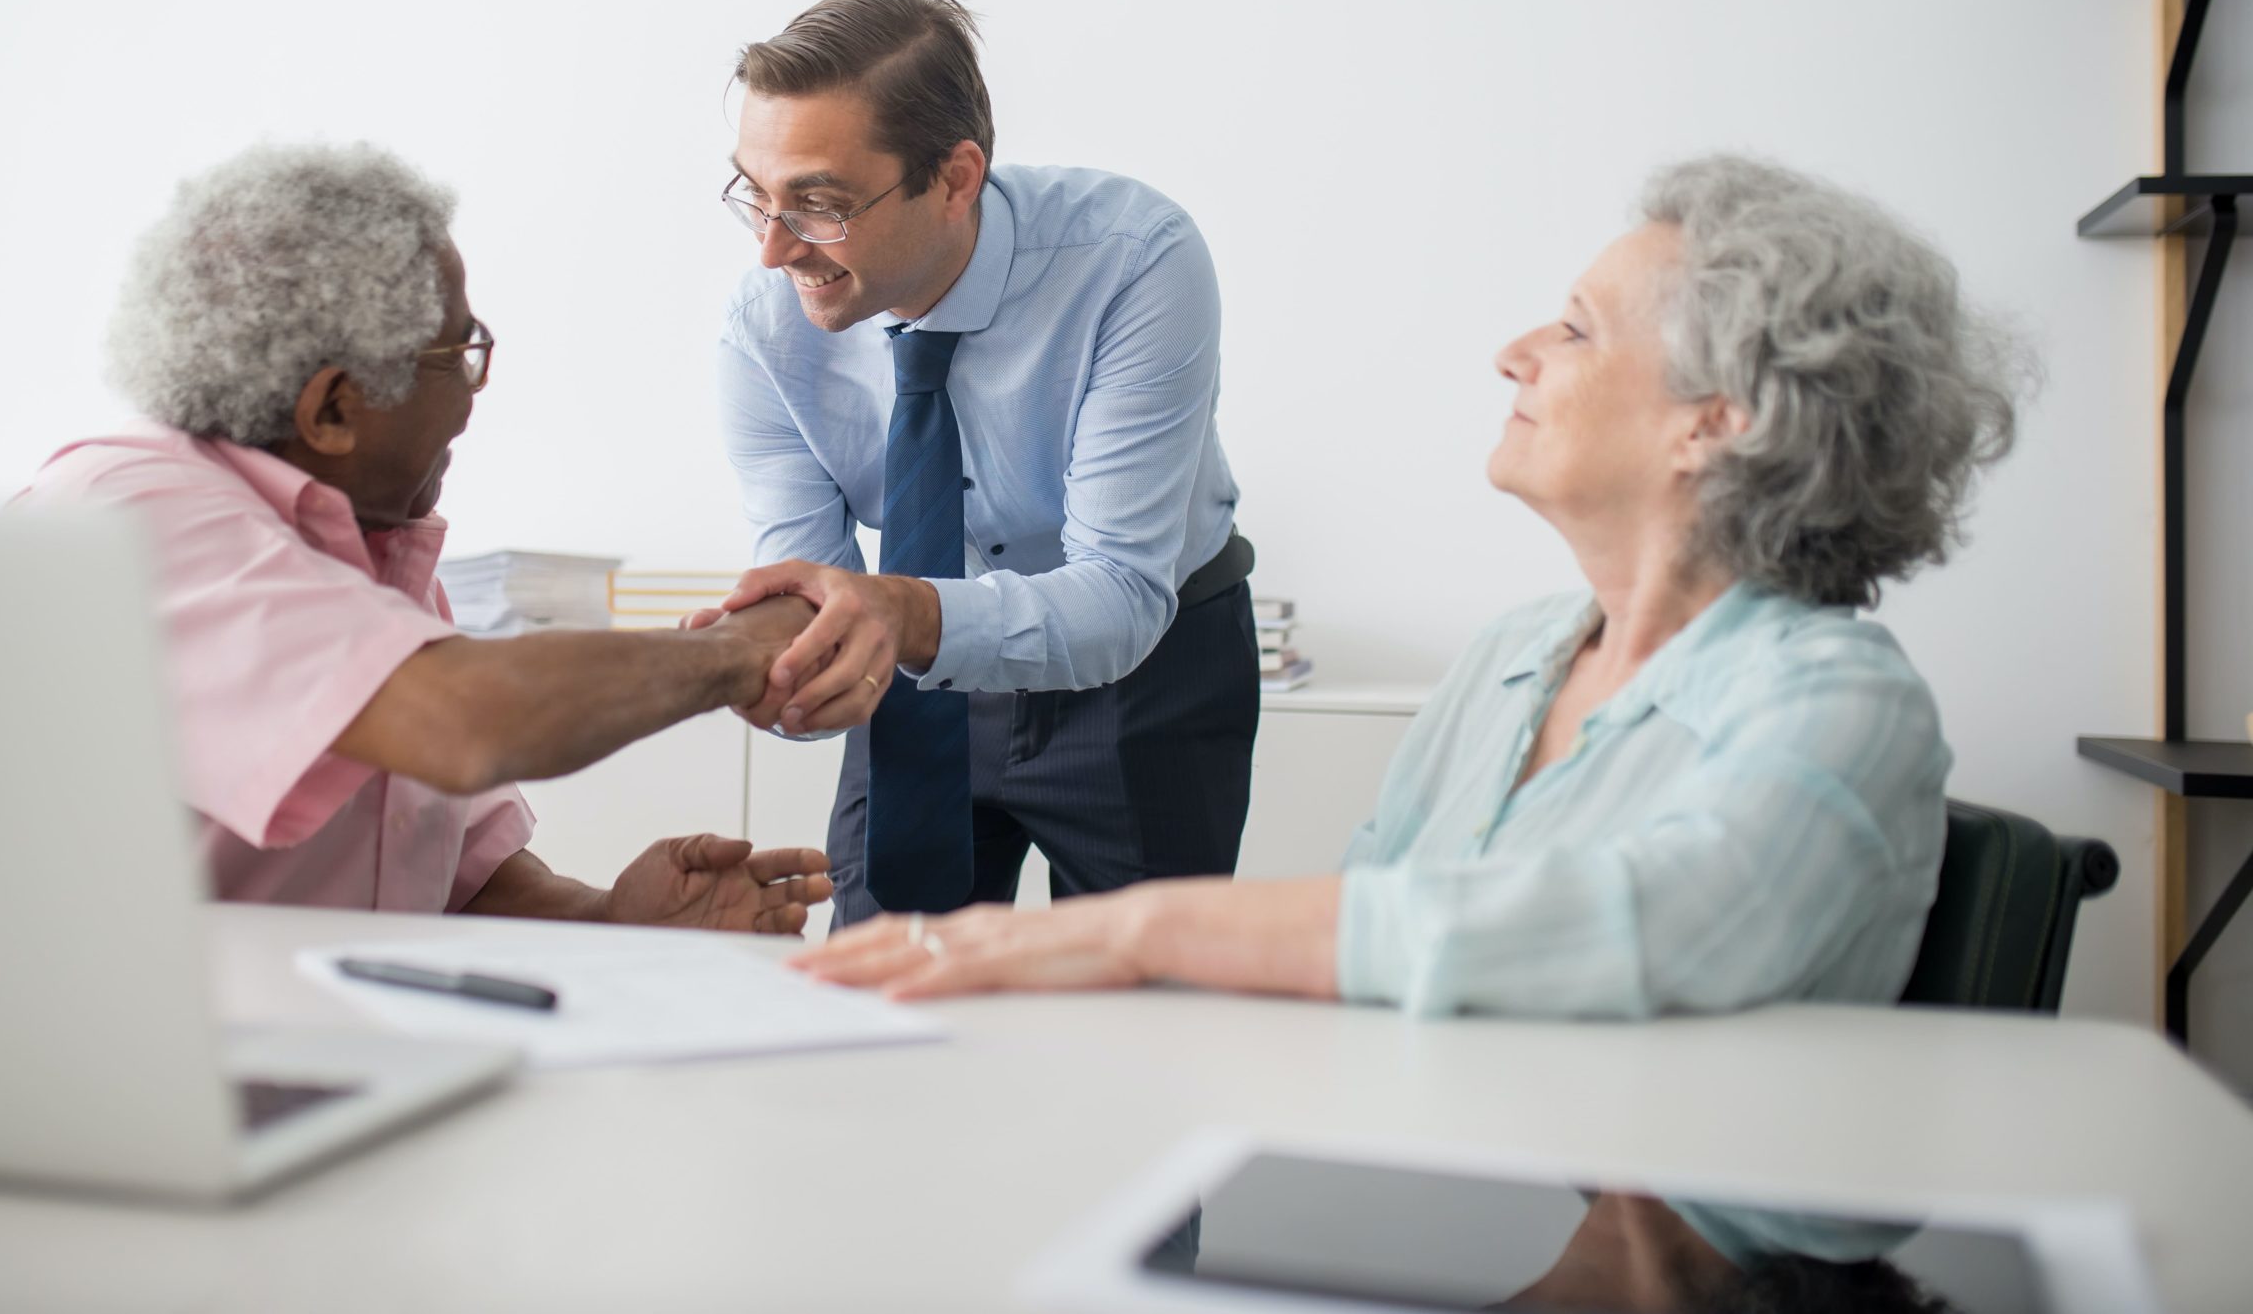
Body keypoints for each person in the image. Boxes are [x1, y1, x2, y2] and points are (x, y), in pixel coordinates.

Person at [794, 155, 2024, 1012]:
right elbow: (1375, 942)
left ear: (1715, 419)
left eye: (1579, 328)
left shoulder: (1840, 699)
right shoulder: (1516, 657)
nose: (1517, 350)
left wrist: (1122, 929)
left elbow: (1638, 927)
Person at [15, 141, 833, 931]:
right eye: (459, 352)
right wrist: (738, 650)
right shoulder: (127, 520)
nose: (474, 393)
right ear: (333, 407)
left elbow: (451, 879)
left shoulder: (363, 548)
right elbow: (466, 723)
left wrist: (611, 916)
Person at [707, 0, 1258, 925]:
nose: (772, 250)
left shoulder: (1136, 260)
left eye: (818, 204)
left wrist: (891, 617)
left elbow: (1120, 594)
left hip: (1149, 665)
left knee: (1148, 1007)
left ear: (956, 178)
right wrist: (774, 667)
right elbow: (819, 600)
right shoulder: (765, 330)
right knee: (882, 982)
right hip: (915, 667)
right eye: (755, 195)